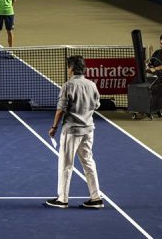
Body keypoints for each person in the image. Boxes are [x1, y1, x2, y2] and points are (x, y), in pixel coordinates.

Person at [45, 56, 103, 210]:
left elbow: (60, 110)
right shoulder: (92, 85)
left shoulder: (68, 86)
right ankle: (96, 198)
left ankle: (62, 199)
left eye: (68, 67)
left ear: (71, 69)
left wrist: (54, 127)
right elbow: (96, 105)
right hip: (88, 130)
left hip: (71, 131)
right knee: (88, 162)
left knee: (65, 164)